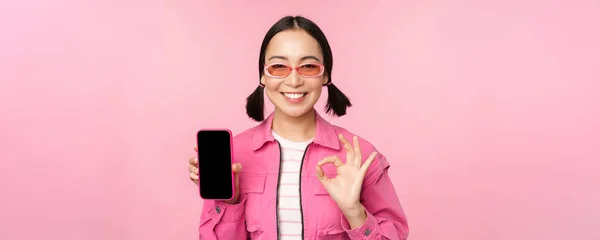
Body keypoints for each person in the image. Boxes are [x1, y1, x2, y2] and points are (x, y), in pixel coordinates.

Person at [188, 15, 409, 240]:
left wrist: (354, 211)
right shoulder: (234, 155)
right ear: (263, 75)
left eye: (309, 66)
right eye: (278, 66)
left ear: (326, 75)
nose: (294, 81)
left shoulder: (358, 155)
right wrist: (229, 201)